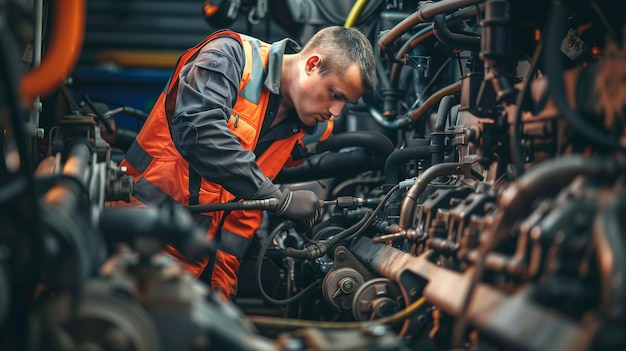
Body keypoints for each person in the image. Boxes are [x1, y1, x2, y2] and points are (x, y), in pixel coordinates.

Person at [116, 25, 377, 301]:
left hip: (213, 279)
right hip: (142, 247)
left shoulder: (310, 127)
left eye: (345, 103)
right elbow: (198, 132)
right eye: (335, 94)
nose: (336, 111)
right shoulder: (231, 58)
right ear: (312, 64)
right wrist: (278, 200)